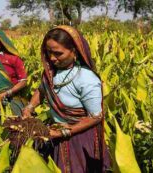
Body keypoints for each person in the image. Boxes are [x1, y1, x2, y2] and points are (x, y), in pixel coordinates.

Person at [23, 25, 107, 173]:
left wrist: (64, 133)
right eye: (49, 52)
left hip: (80, 137)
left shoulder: (86, 79)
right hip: (58, 133)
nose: (52, 58)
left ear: (74, 51)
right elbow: (42, 89)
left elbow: (96, 117)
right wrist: (30, 107)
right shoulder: (50, 72)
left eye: (58, 53)